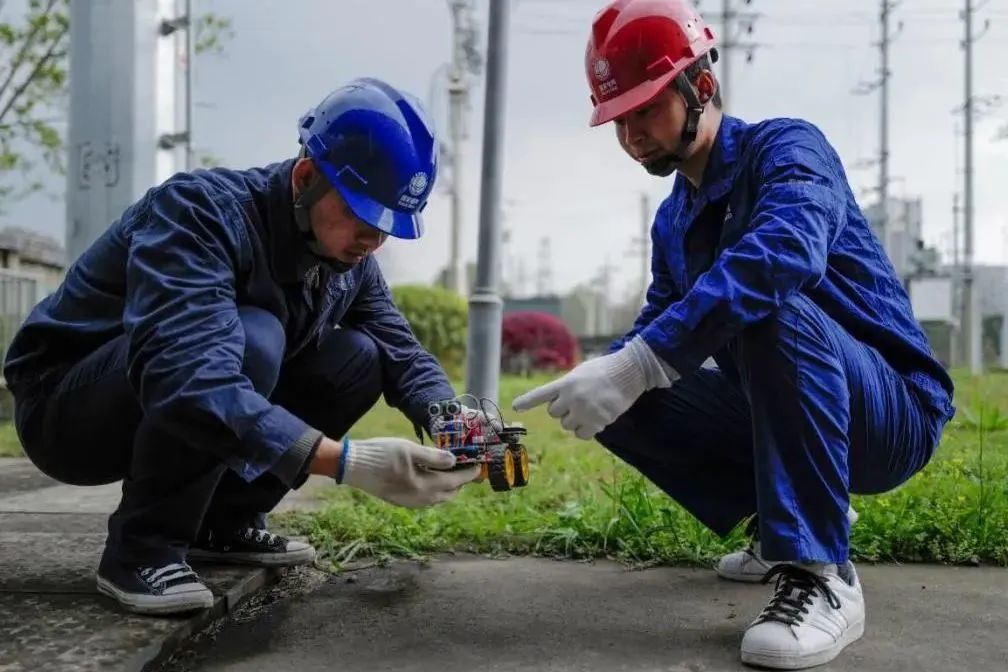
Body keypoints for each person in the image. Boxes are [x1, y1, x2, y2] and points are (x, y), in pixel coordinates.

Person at [512, 0, 955, 669]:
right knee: (622, 390)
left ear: (704, 87)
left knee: (760, 301)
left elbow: (784, 253)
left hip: (891, 412)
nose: (631, 134)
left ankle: (821, 574)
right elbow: (657, 331)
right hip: (791, 403)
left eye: (644, 107)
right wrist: (612, 373)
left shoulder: (789, 149)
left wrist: (640, 361)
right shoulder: (675, 221)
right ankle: (778, 522)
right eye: (618, 118)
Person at [2, 77, 482, 616]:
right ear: (306, 178)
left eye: (388, 225)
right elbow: (188, 376)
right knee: (253, 337)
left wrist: (457, 422)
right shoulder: (200, 213)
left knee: (360, 358)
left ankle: (223, 522)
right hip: (66, 407)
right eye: (363, 215)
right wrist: (342, 461)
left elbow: (403, 354)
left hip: (165, 390)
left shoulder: (351, 264)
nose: (374, 239)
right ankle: (141, 551)